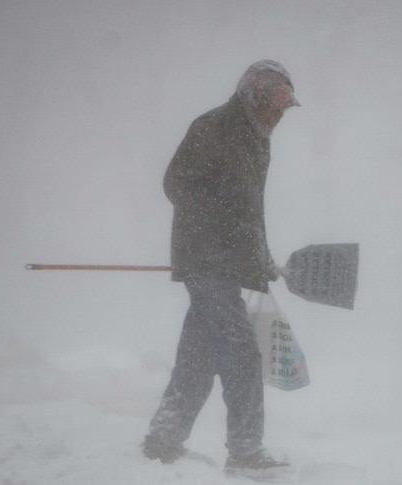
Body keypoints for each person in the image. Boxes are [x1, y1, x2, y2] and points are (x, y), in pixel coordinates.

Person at [142, 60, 300, 478]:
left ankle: (163, 439)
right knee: (243, 352)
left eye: (284, 108)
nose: (279, 115)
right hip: (206, 260)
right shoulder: (215, 127)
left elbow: (248, 211)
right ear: (254, 95)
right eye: (275, 105)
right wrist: (220, 225)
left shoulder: (255, 139)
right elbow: (176, 183)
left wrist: (260, 257)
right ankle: (246, 450)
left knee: (199, 354)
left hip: (227, 263)